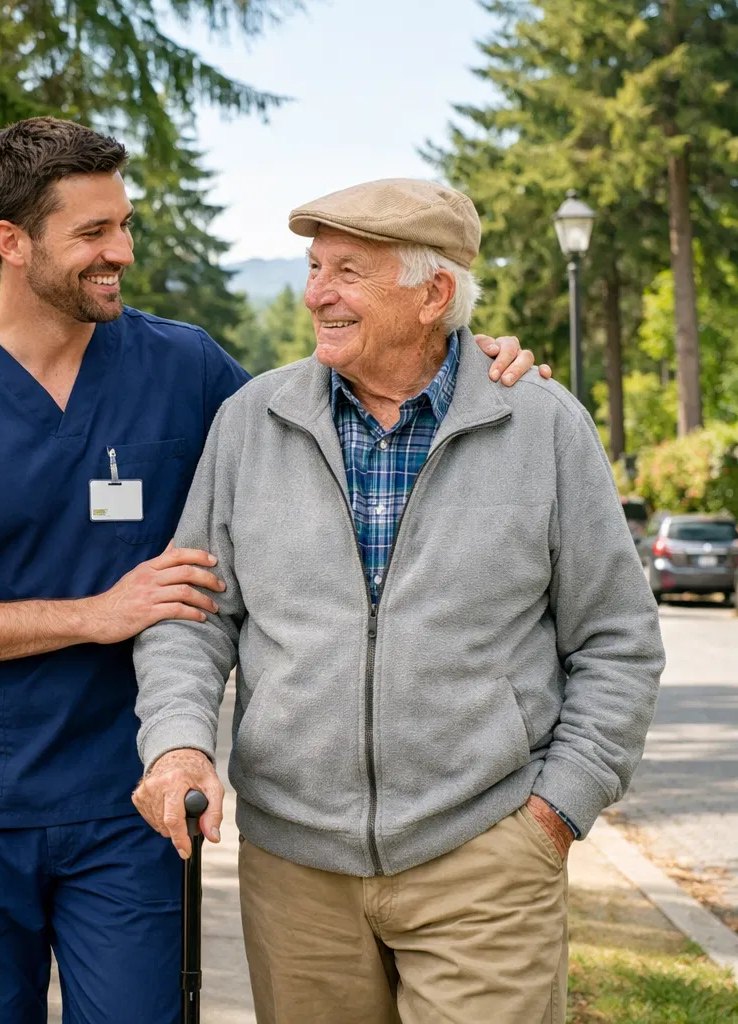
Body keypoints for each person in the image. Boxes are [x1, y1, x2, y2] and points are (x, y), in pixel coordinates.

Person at [0, 121, 544, 1024]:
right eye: (91, 233)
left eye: (125, 224)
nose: (120, 250)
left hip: (135, 806)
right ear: (11, 242)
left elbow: (341, 405)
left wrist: (471, 356)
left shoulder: (186, 369)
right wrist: (91, 615)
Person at [132, 178, 665, 1024]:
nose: (317, 294)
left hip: (485, 856)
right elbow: (192, 615)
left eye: (348, 270)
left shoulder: (544, 425)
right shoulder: (249, 421)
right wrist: (178, 744)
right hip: (295, 873)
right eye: (313, 268)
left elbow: (617, 641)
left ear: (435, 294)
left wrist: (556, 811)